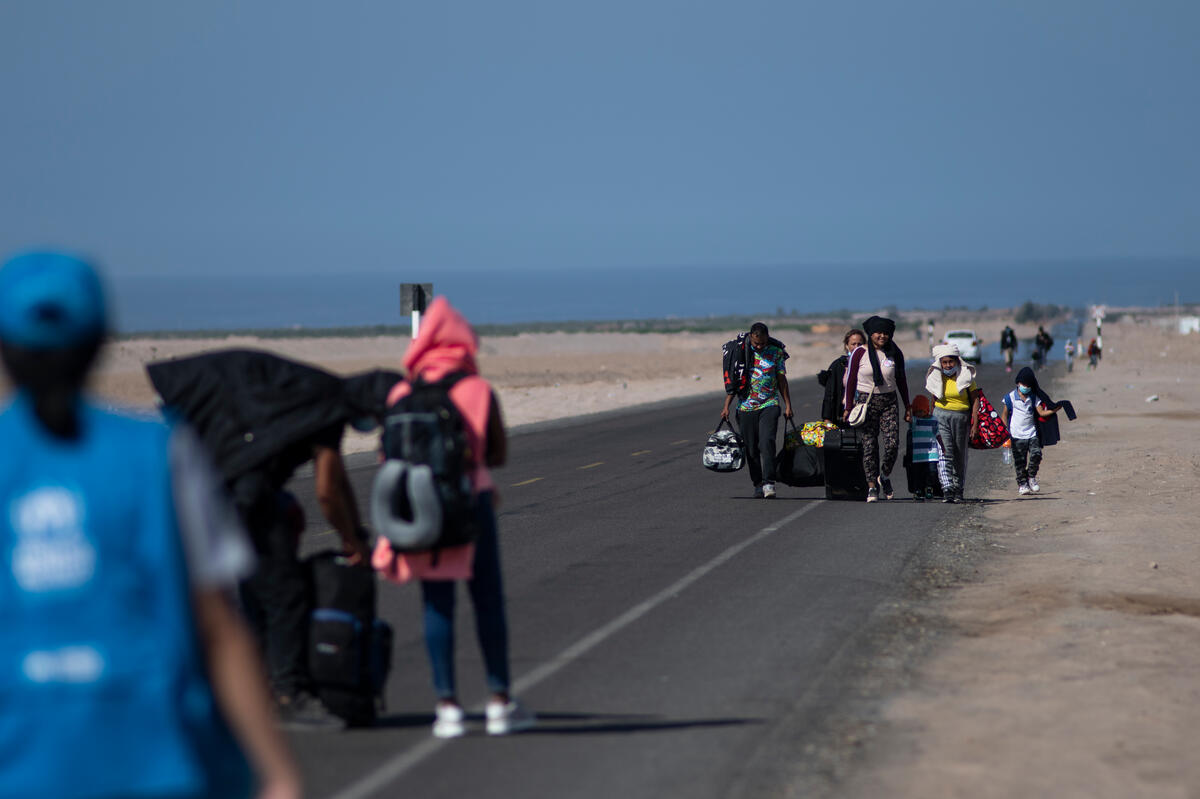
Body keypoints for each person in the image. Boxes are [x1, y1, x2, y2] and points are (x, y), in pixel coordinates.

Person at [0, 251, 300, 798]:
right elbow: (217, 625)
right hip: (157, 758)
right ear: (99, 339)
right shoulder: (159, 453)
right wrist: (275, 772)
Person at [149, 351, 396, 731]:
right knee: (285, 594)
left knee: (256, 592)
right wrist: (352, 539)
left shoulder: (321, 393)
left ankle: (259, 689)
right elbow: (328, 489)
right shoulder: (331, 406)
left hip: (227, 491)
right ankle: (289, 696)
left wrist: (355, 534)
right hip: (246, 495)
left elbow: (338, 479)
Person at [373, 296, 534, 738]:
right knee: (486, 601)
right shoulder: (478, 390)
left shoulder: (401, 393)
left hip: (422, 506)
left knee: (436, 604)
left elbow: (387, 453)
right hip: (471, 502)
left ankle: (446, 705)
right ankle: (500, 700)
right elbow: (495, 453)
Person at [721, 322, 793, 498]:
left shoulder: (776, 353)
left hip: (769, 404)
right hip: (745, 407)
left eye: (762, 343)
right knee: (751, 449)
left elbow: (782, 380)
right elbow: (735, 382)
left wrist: (788, 404)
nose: (759, 346)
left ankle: (769, 482)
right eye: (756, 343)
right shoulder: (741, 353)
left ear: (767, 337)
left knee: (767, 442)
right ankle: (758, 483)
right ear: (751, 338)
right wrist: (726, 406)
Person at [843, 316, 911, 501]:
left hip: (889, 401)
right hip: (866, 401)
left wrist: (907, 406)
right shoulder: (859, 352)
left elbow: (902, 380)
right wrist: (848, 406)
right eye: (878, 333)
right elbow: (850, 381)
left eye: (885, 333)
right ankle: (872, 486)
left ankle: (885, 475)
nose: (882, 336)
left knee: (892, 445)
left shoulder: (894, 352)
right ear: (870, 334)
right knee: (869, 446)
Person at [925, 343, 980, 503]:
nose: (948, 365)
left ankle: (958, 489)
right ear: (940, 363)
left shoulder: (966, 377)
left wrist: (974, 423)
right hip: (941, 417)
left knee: (959, 455)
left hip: (961, 418)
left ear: (957, 361)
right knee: (945, 452)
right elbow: (934, 399)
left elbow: (975, 400)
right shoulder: (936, 377)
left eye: (951, 361)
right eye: (945, 362)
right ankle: (947, 488)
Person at [999, 367, 1059, 495]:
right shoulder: (1010, 398)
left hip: (1032, 433)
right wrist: (1005, 433)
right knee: (1020, 461)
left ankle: (1031, 477)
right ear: (1018, 383)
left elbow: (1041, 413)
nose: (1025, 387)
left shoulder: (1033, 397)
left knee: (1036, 454)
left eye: (1028, 385)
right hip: (1016, 435)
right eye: (1023, 384)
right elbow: (1004, 415)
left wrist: (1055, 409)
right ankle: (1022, 484)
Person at [817, 328, 865, 424]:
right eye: (853, 344)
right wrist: (827, 418)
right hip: (843, 413)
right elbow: (830, 393)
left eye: (860, 344)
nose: (857, 347)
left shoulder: (870, 364)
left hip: (865, 411)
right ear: (847, 346)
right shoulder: (838, 365)